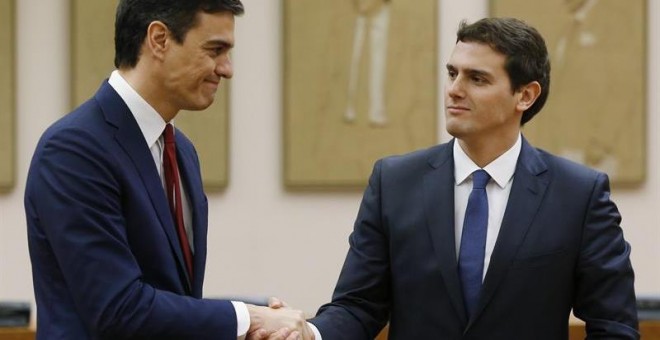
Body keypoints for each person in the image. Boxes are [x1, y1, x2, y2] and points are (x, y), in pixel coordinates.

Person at [305, 17, 639, 339]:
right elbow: (358, 306)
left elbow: (614, 326)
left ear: (525, 96)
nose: (454, 90)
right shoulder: (393, 182)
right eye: (452, 73)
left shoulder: (579, 195)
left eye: (476, 79)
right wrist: (308, 333)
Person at [24, 1, 311, 339]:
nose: (227, 68)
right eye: (215, 49)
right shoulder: (74, 150)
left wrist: (261, 311)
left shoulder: (182, 152)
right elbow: (119, 309)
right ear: (159, 39)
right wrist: (250, 317)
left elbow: (172, 299)